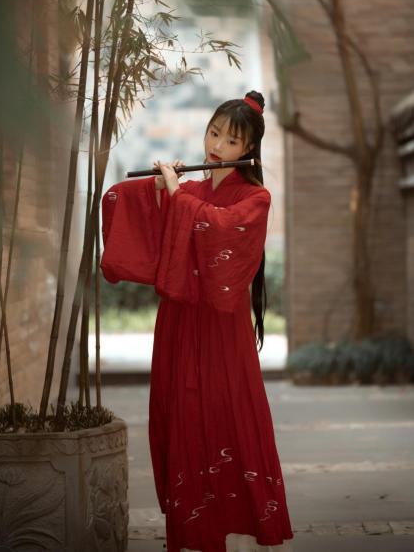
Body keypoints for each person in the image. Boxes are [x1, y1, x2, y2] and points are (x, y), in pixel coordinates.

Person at [101, 91, 294, 552]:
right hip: (181, 321)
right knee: (183, 413)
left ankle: (244, 530)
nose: (218, 146)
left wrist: (175, 195)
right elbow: (121, 200)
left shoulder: (256, 197)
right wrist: (155, 190)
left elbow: (220, 229)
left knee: (230, 412)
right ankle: (195, 531)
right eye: (214, 133)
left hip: (222, 326)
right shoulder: (190, 190)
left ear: (249, 148)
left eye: (231, 140)